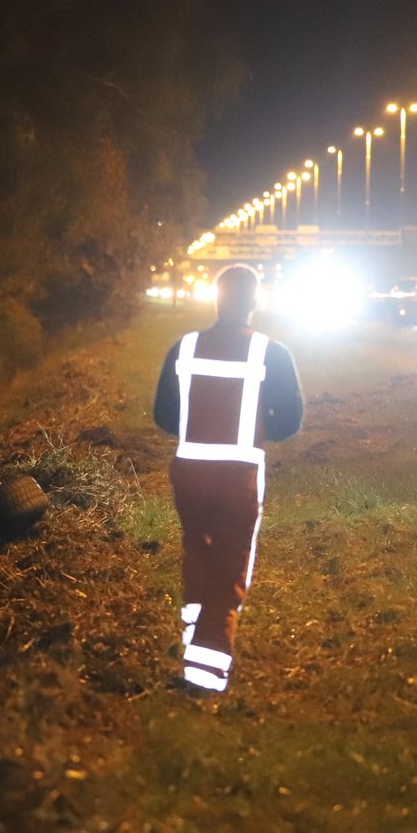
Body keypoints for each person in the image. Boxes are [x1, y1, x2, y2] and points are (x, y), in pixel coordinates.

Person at [152, 265, 303, 693]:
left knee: (197, 554)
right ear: (254, 302)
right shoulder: (272, 353)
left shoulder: (183, 348)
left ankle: (192, 640)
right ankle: (205, 673)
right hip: (239, 475)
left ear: (215, 299)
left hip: (189, 472)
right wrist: (259, 427)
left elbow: (163, 415)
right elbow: (289, 421)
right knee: (231, 566)